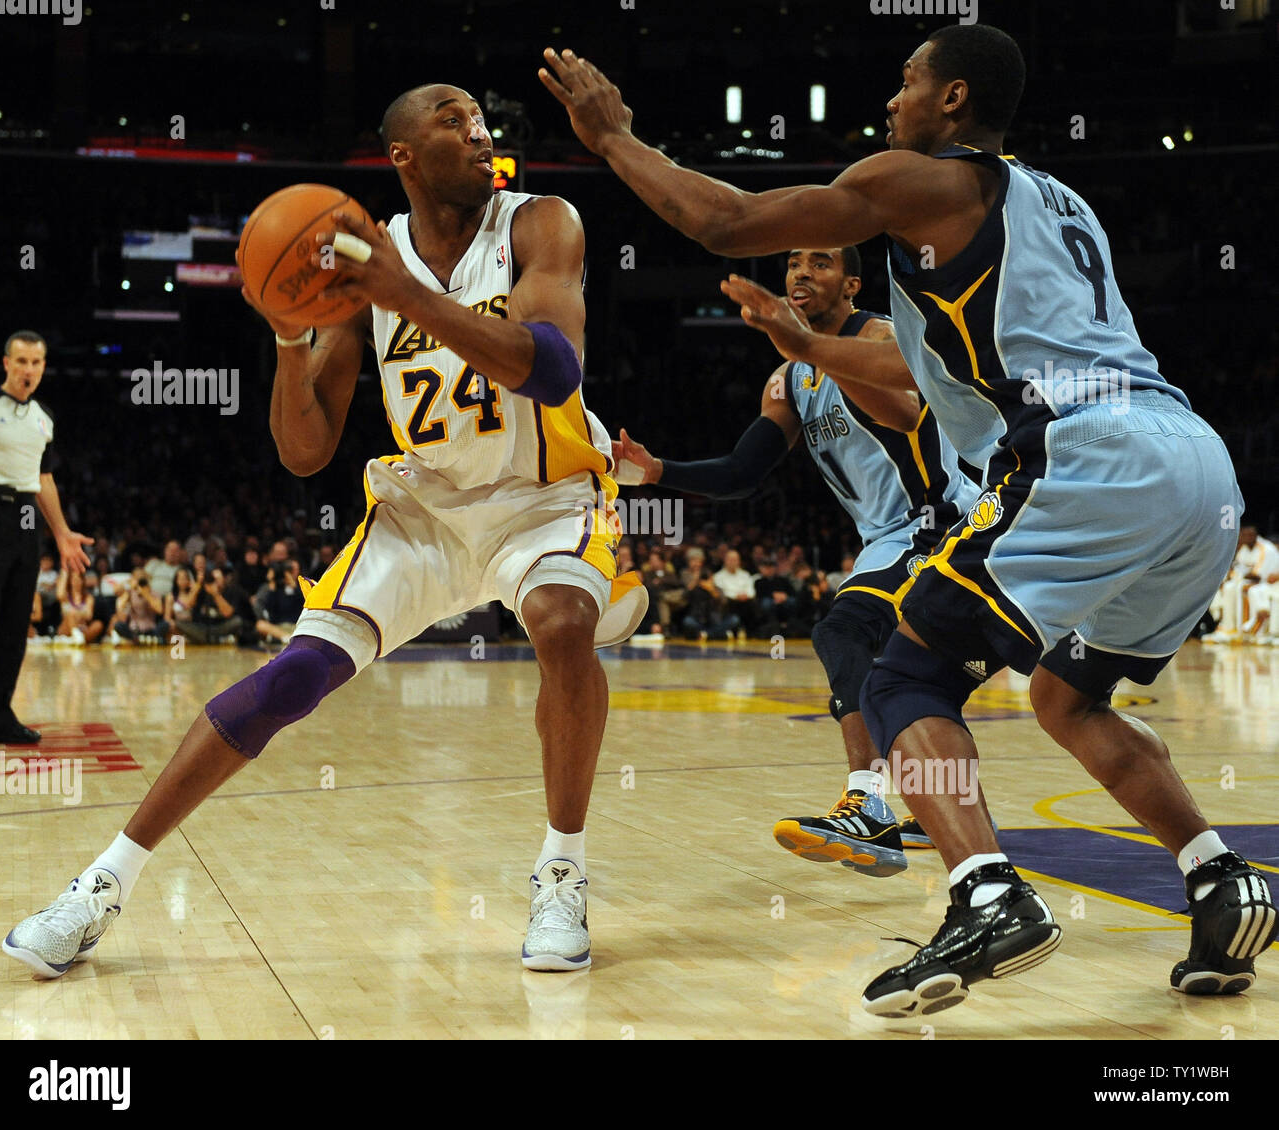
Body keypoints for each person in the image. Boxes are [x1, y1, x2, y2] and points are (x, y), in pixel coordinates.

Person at [540, 27, 1276, 1012]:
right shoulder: (1057, 205)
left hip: (1083, 455)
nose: (890, 102)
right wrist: (805, 344)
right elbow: (906, 373)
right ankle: (1218, 877)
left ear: (953, 98)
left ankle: (985, 892)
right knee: (1067, 697)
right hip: (1192, 464)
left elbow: (725, 218)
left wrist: (613, 137)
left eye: (905, 82)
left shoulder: (928, 179)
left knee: (902, 671)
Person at [5, 81, 645, 980]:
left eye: (481, 120)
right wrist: (287, 338)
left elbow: (550, 368)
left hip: (544, 495)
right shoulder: (363, 277)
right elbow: (306, 452)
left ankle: (561, 872)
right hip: (422, 508)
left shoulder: (541, 224)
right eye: (454, 120)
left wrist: (400, 290)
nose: (480, 131)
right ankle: (100, 886)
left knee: (565, 623)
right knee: (290, 679)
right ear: (403, 158)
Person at [612, 245, 979, 875]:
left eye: (820, 262)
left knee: (844, 629)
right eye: (792, 265)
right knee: (921, 676)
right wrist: (657, 472)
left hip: (941, 521)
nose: (801, 274)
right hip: (890, 536)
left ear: (852, 284)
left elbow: (908, 415)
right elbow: (743, 471)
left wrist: (815, 350)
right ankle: (937, 811)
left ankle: (868, 805)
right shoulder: (787, 378)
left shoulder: (881, 336)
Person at [0, 331, 91, 744]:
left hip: (25, 519)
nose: (29, 370)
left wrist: (62, 533)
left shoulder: (44, 416)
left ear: (44, 367)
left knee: (13, 623)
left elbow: (43, 478)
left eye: (36, 363)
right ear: (6, 363)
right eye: (21, 361)